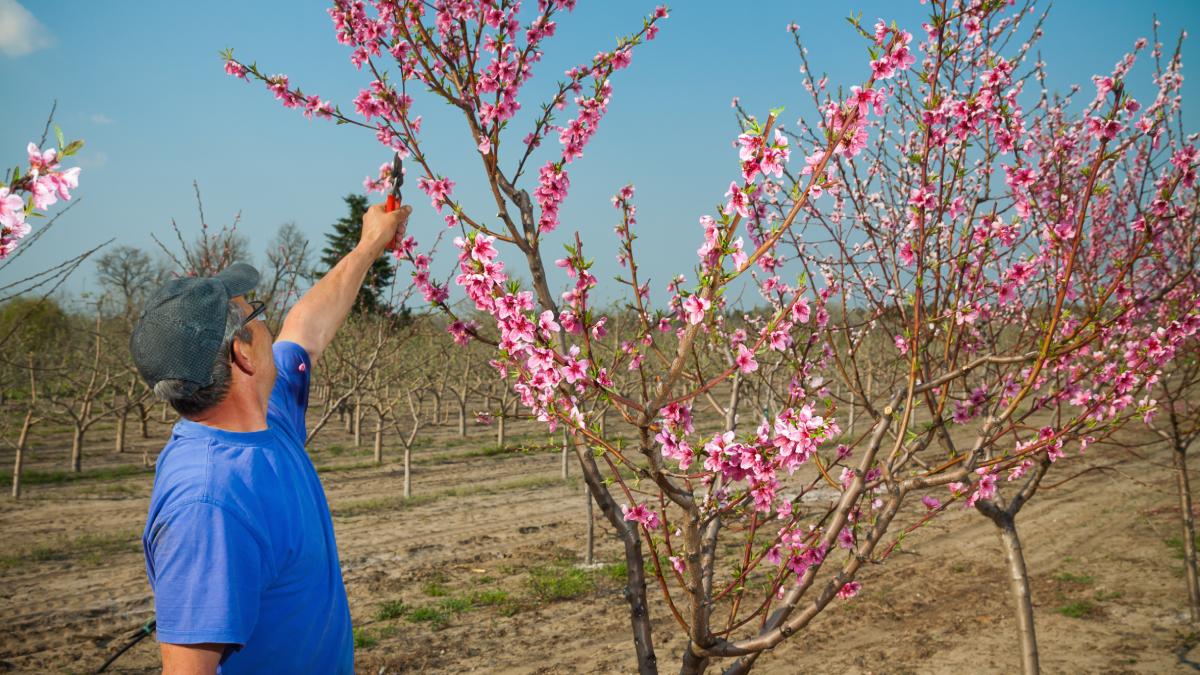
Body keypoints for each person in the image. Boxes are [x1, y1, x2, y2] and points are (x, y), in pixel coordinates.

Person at [131, 202, 412, 674]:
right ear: (242, 354)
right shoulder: (208, 504)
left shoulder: (266, 416)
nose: (270, 321)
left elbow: (309, 327)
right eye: (255, 312)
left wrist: (370, 245)